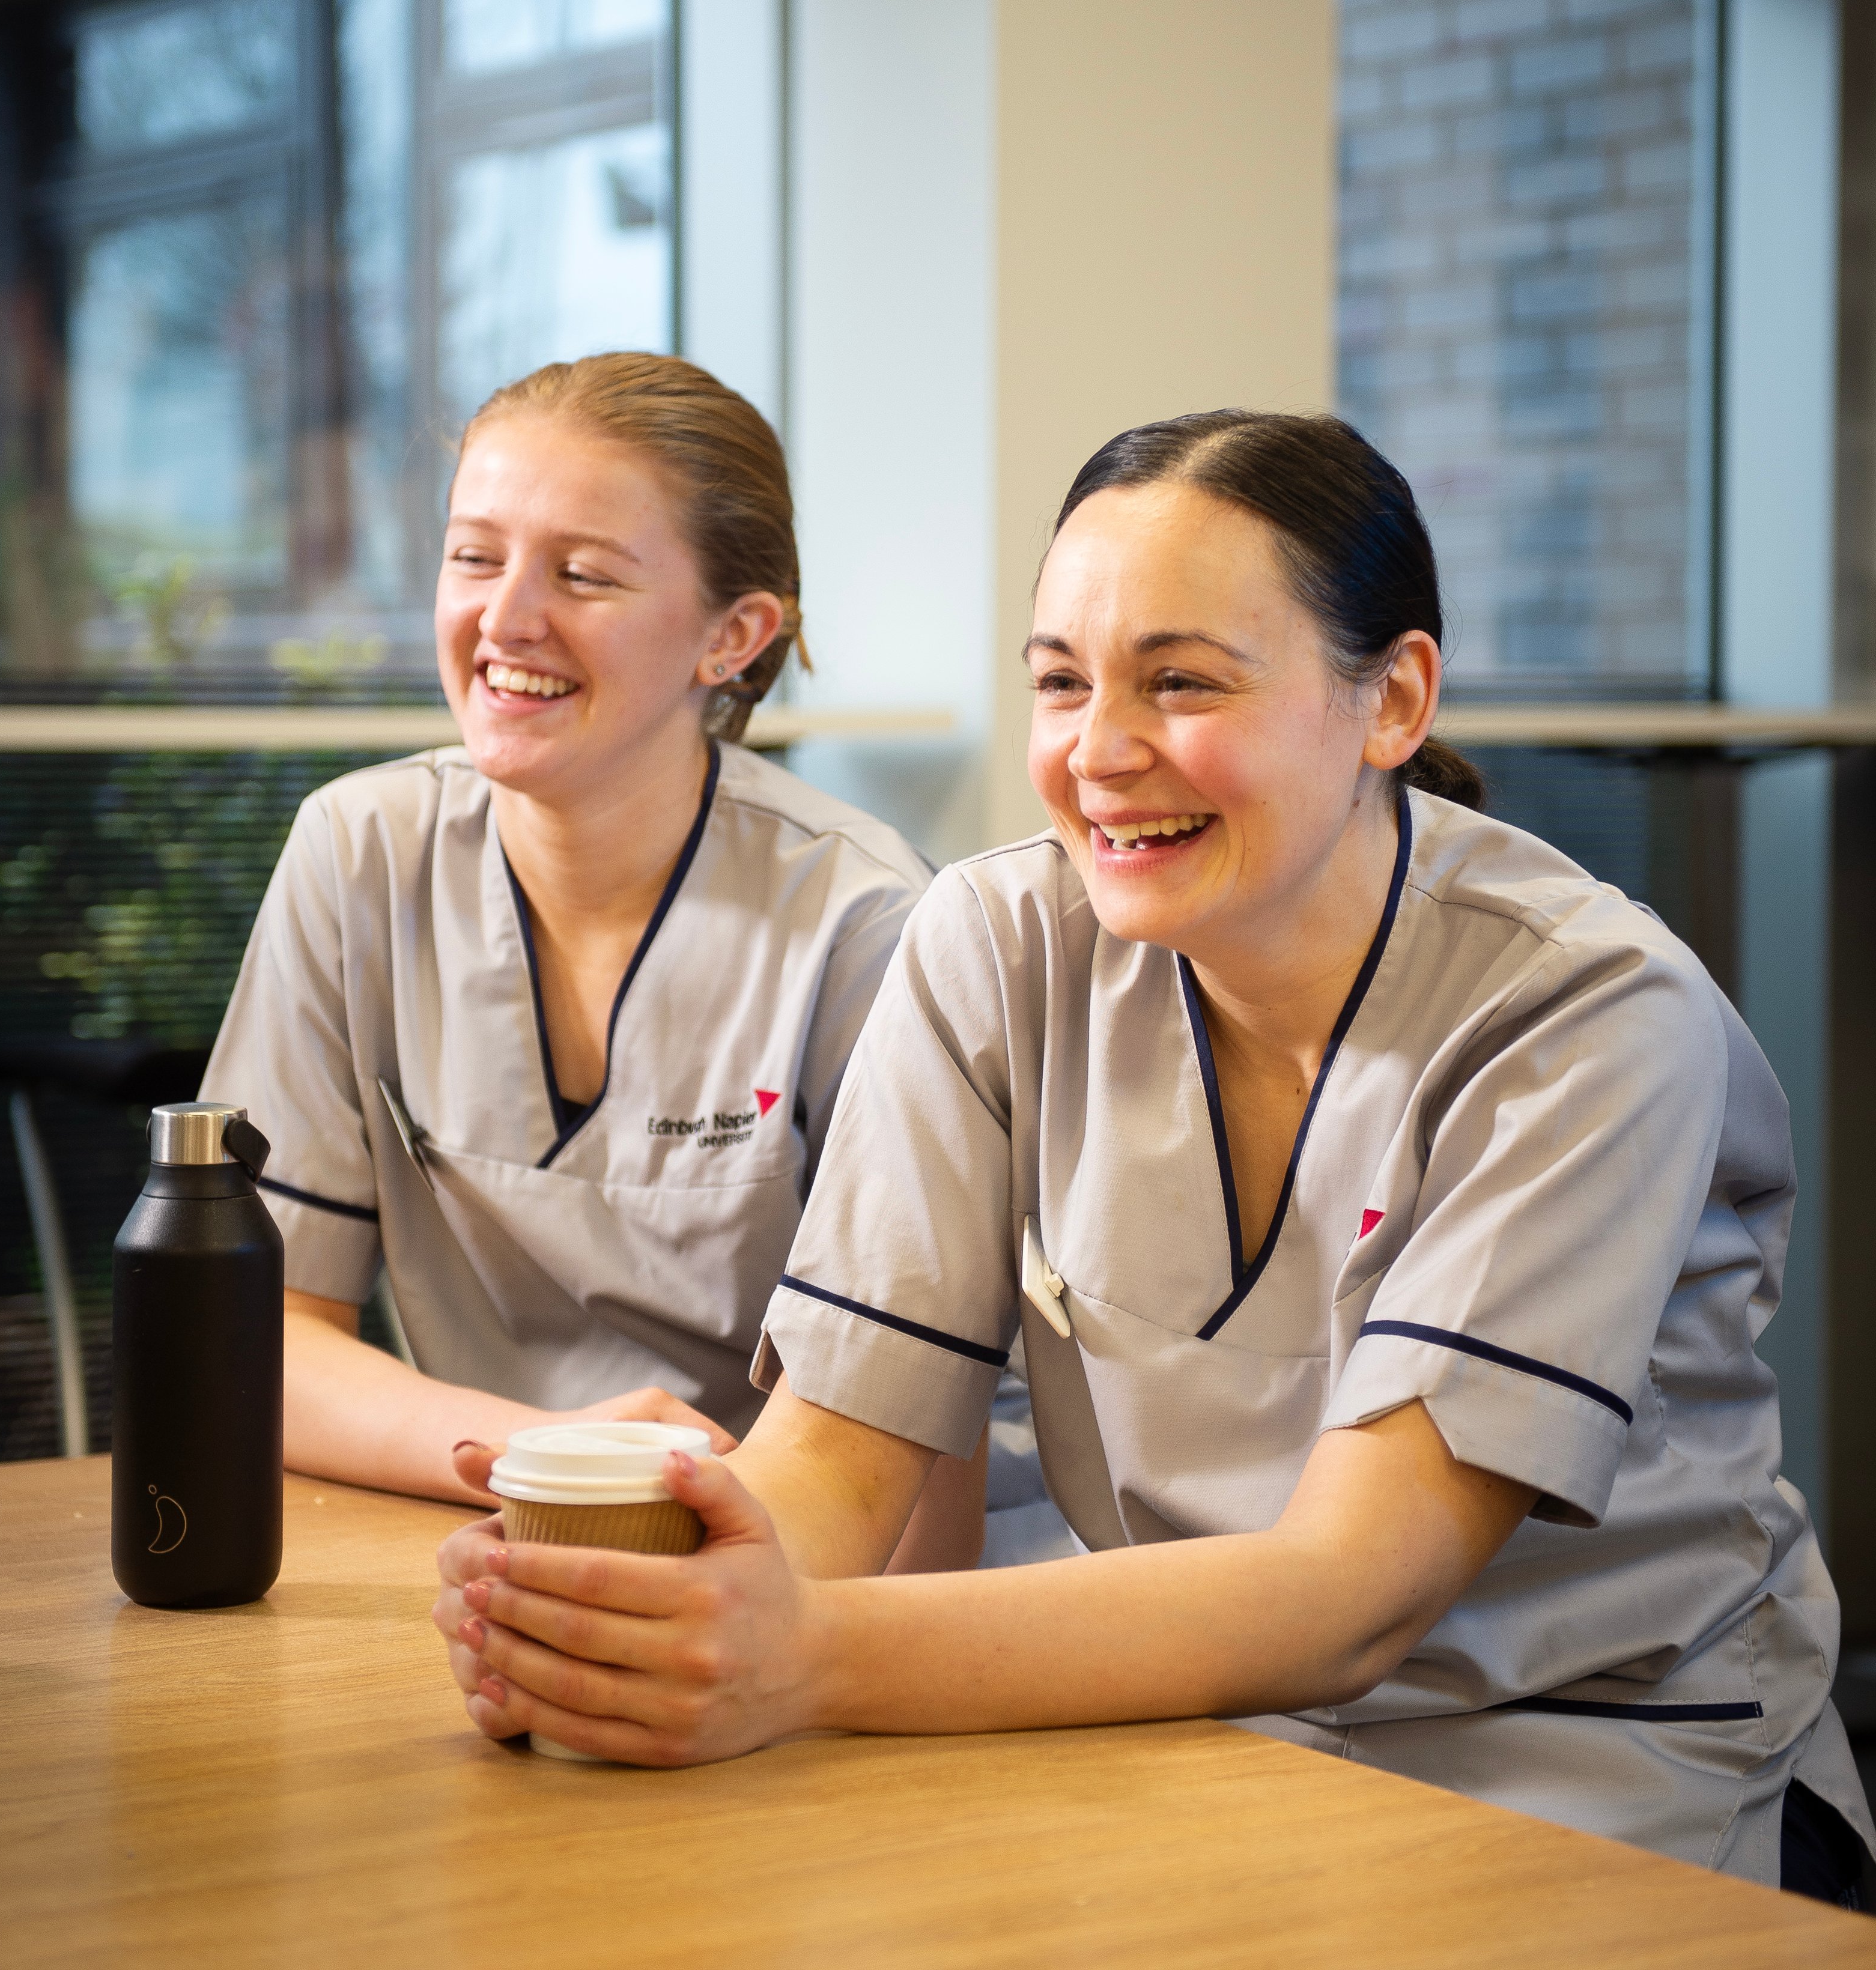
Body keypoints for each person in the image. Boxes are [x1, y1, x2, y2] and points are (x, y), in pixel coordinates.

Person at [435, 410, 1875, 1903]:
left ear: (1391, 698)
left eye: (1180, 681)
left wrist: (799, 1655)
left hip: (1586, 1766)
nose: (1099, 754)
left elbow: (1351, 1591)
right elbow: (834, 1460)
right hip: (1190, 1731)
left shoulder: (1586, 1011)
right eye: (1061, 681)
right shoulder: (996, 942)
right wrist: (624, 1609)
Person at [205, 351, 960, 1530]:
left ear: (733, 634)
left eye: (583, 574)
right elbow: (261, 1342)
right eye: (474, 556)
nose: (505, 619)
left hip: (792, 1560)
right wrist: (555, 1455)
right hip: (498, 1517)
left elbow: (919, 1466)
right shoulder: (360, 852)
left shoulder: (865, 923)